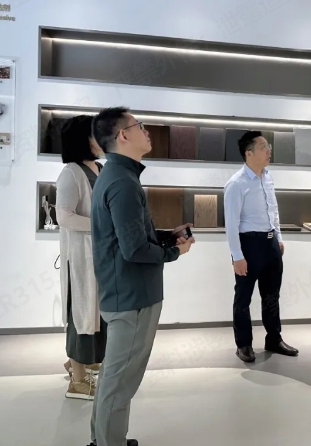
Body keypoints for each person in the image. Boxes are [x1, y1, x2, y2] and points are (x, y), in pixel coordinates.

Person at [88, 106, 195, 446]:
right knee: (120, 382)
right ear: (123, 135)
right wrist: (175, 252)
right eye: (139, 126)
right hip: (132, 297)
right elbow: (133, 249)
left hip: (126, 293)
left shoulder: (117, 176)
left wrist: (164, 236)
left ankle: (104, 440)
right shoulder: (122, 181)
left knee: (114, 377)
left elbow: (128, 235)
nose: (146, 131)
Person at [223, 130, 298, 363]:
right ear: (249, 153)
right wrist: (237, 256)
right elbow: (231, 224)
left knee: (271, 295)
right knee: (243, 297)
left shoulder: (267, 177)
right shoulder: (236, 184)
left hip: (271, 243)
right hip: (249, 244)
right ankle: (243, 344)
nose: (269, 150)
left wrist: (279, 237)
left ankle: (274, 338)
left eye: (269, 146)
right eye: (263, 147)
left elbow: (273, 209)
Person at [56, 115, 105, 400]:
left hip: (101, 256)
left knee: (97, 314)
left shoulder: (100, 168)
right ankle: (78, 381)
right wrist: (102, 225)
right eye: (96, 134)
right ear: (83, 139)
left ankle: (81, 363)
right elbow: (64, 217)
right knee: (82, 314)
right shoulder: (71, 173)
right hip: (82, 258)